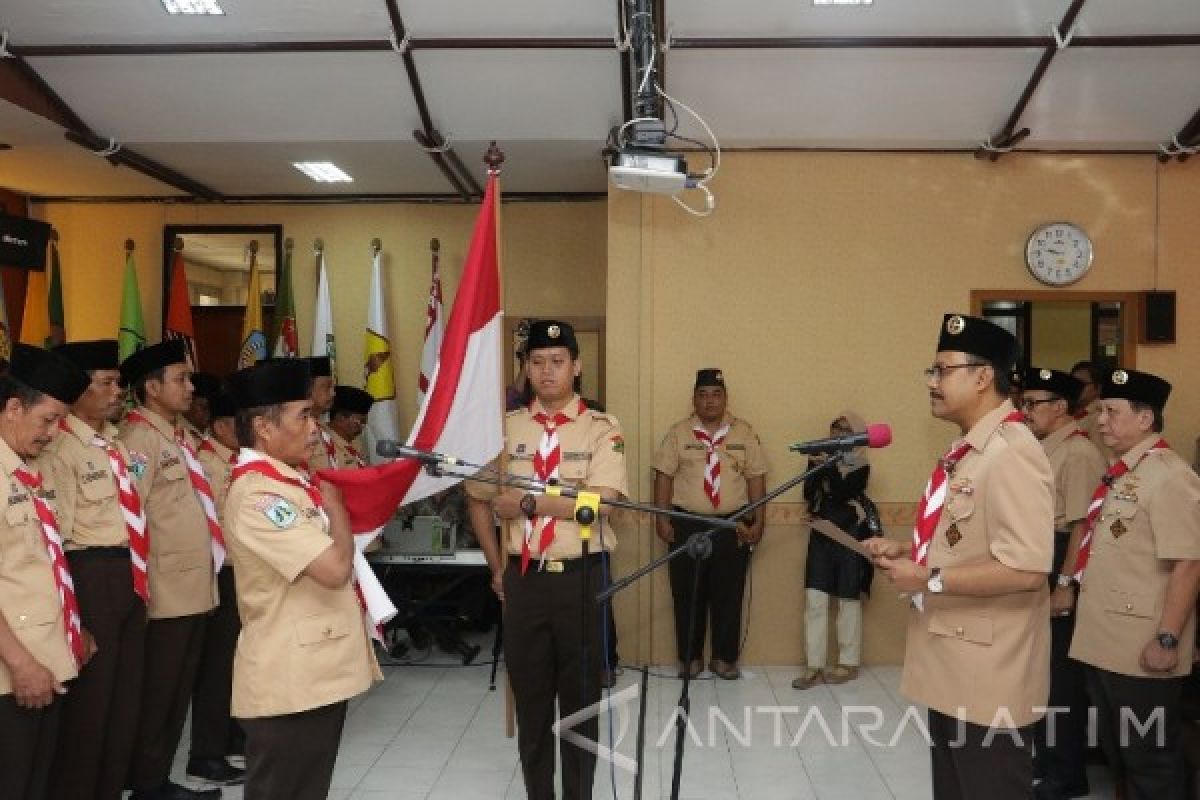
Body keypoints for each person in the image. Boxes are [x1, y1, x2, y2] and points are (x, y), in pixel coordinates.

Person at [866, 313, 1055, 800]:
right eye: (931, 371)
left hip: (989, 675)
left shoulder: (1011, 451)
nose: (932, 382)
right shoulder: (971, 451)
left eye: (942, 370)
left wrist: (927, 578)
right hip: (954, 662)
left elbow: (1027, 568)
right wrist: (910, 551)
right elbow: (972, 542)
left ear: (982, 375)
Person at [466, 319, 628, 800]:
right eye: (536, 362)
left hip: (581, 578)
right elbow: (477, 497)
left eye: (557, 362)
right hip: (525, 581)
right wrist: (497, 567)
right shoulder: (505, 429)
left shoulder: (603, 428)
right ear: (526, 370)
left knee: (580, 703)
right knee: (532, 705)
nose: (547, 371)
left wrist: (530, 504)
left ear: (576, 367)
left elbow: (604, 502)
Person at [224, 357, 381, 800]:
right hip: (287, 680)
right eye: (304, 415)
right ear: (263, 429)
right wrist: (337, 511)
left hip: (312, 672)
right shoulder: (259, 493)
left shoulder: (290, 481)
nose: (315, 428)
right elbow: (333, 569)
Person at [1068, 367, 1200, 800]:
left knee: (1151, 760)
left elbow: (1189, 564)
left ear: (1146, 419)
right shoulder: (1124, 472)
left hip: (1142, 647)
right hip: (1105, 641)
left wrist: (1167, 639)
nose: (1100, 419)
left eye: (1112, 410)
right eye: (1101, 409)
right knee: (1119, 753)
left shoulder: (1170, 476)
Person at [41, 340, 149, 800]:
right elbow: (53, 540)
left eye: (119, 383)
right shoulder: (60, 448)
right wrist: (74, 614)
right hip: (89, 574)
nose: (117, 392)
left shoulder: (114, 443)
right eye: (105, 383)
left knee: (125, 702)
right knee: (93, 705)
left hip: (128, 571)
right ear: (78, 391)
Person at [118, 340, 224, 800]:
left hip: (194, 587)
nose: (191, 386)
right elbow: (130, 519)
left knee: (178, 690)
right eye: (180, 378)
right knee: (158, 694)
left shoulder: (177, 436)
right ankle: (146, 783)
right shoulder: (139, 440)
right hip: (165, 592)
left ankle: (157, 778)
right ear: (152, 388)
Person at [0, 343, 94, 800]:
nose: (55, 433)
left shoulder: (25, 470)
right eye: (49, 420)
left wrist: (73, 631)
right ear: (14, 407)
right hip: (15, 672)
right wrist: (19, 664)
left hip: (47, 656)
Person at [1020, 367, 1107, 800]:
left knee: (1061, 679)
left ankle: (1067, 773)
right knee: (1040, 672)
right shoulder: (1044, 448)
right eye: (1024, 403)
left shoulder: (1078, 453)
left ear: (1060, 407)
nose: (1025, 411)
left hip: (1062, 563)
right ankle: (1046, 757)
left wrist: (1065, 584)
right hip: (1042, 559)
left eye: (1033, 403)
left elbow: (1081, 528)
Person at [653, 368, 766, 680]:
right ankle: (689, 659)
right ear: (694, 399)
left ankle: (724, 659)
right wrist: (662, 519)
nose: (709, 401)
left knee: (729, 594)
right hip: (687, 524)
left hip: (732, 525)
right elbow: (663, 476)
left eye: (716, 394)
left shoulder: (744, 433)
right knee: (687, 593)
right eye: (703, 394)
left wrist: (759, 520)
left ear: (725, 398)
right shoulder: (678, 433)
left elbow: (756, 477)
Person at [793, 411, 881, 690]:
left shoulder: (861, 464)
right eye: (834, 430)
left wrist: (826, 465)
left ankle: (848, 663)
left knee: (848, 599)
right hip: (821, 532)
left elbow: (844, 491)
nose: (838, 435)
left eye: (844, 430)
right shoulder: (819, 460)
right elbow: (809, 494)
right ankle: (814, 666)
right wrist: (813, 464)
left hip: (850, 533)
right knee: (815, 599)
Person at [187, 391, 245, 786]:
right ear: (223, 425)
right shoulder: (207, 462)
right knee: (217, 669)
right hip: (218, 573)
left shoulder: (234, 462)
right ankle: (206, 754)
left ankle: (232, 740)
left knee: (238, 664)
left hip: (241, 573)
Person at [1069, 360, 1110, 460]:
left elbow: (1103, 457)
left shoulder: (1100, 417)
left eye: (1081, 383)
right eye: (1073, 382)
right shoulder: (1070, 411)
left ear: (1098, 388)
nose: (1075, 387)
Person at [302, 357, 337, 472]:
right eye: (326, 387)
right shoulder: (300, 432)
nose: (333, 394)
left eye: (333, 387)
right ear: (308, 390)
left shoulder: (325, 430)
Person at [326, 385, 372, 468]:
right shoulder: (322, 441)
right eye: (361, 421)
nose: (362, 427)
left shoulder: (356, 442)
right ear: (341, 417)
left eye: (364, 422)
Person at [182, 373, 221, 450]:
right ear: (189, 401)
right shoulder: (178, 431)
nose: (209, 412)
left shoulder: (216, 430)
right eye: (204, 407)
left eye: (212, 407)